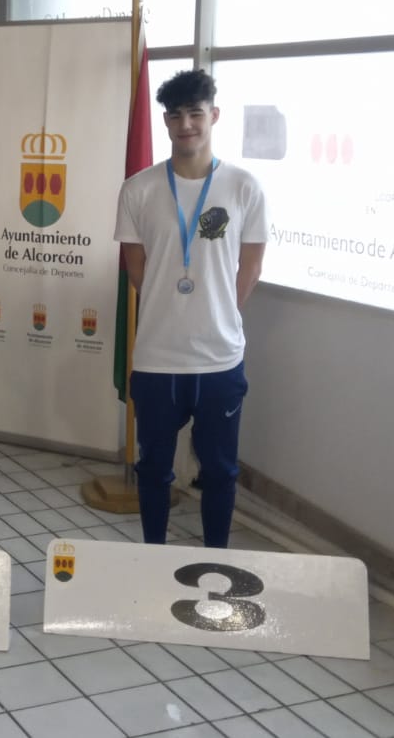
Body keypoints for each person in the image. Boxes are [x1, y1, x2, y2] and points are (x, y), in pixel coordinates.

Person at [114, 69, 268, 548]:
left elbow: (251, 267)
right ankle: (154, 557)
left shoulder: (244, 187)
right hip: (157, 357)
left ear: (213, 116)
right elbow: (136, 268)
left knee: (220, 471)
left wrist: (217, 311)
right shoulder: (138, 189)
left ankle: (217, 558)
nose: (186, 125)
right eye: (175, 115)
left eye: (195, 114)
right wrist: (173, 305)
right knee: (153, 469)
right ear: (165, 121)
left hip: (220, 358)